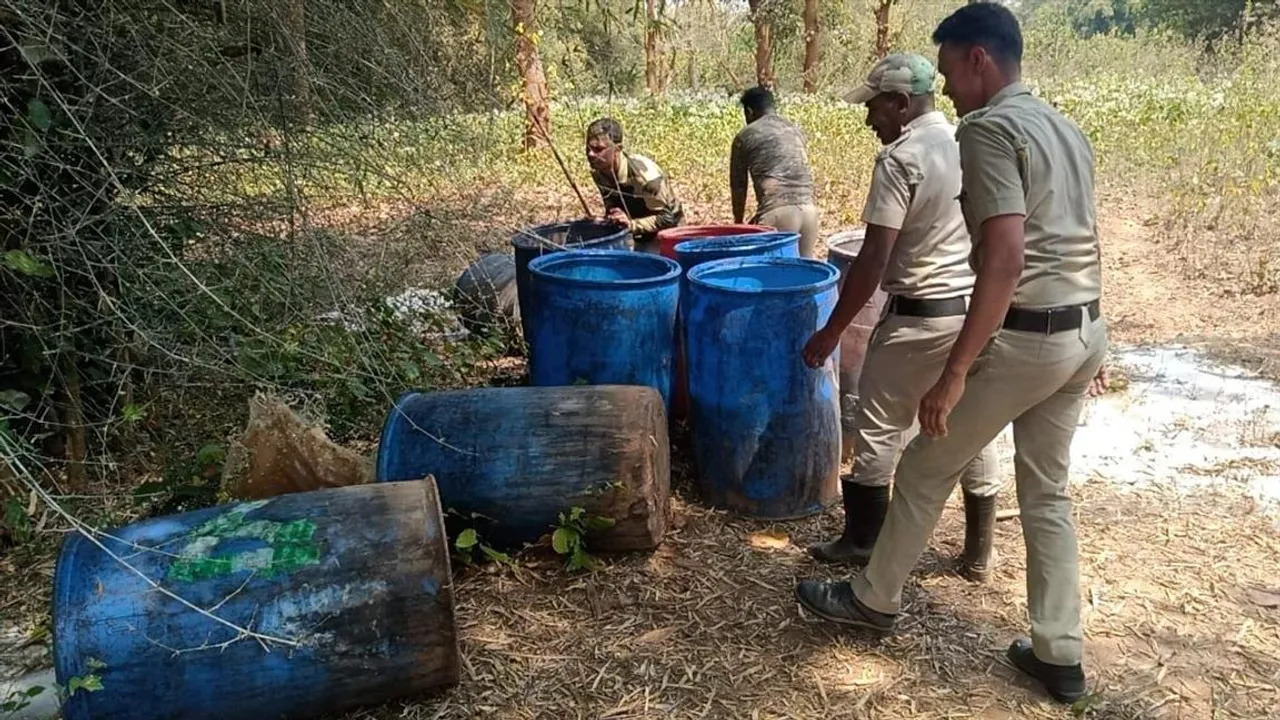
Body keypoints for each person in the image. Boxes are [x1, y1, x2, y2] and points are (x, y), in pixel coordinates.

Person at [793, 3, 1109, 706]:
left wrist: (957, 373)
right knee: (1048, 495)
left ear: (979, 59)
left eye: (951, 73)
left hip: (1028, 336)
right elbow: (1079, 236)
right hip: (1081, 331)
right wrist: (1091, 333)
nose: (951, 92)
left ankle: (873, 598)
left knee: (927, 463)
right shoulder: (1063, 126)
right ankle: (1059, 653)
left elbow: (1002, 257)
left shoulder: (990, 129)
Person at [801, 53, 1001, 582]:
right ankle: (979, 553)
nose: (870, 119)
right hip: (969, 316)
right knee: (967, 426)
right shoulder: (969, 143)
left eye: (875, 107)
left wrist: (833, 329)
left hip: (916, 319)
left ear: (902, 103)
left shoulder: (901, 158)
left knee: (880, 427)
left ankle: (864, 540)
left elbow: (874, 256)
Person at [729, 87, 821, 257]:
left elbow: (738, 185)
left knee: (770, 278)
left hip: (777, 215)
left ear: (749, 112)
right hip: (810, 213)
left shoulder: (746, 135)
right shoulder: (795, 129)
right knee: (804, 275)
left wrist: (739, 224)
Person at [585, 117, 684, 253]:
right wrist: (604, 221)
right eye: (588, 148)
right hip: (635, 231)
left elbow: (668, 218)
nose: (590, 154)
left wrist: (632, 225)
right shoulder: (600, 172)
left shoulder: (646, 177)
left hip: (667, 235)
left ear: (617, 149)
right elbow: (613, 209)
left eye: (598, 149)